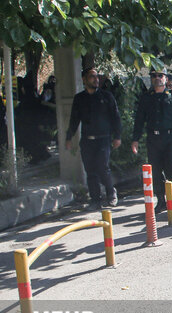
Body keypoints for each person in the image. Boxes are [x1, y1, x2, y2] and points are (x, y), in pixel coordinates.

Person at [132, 68, 172, 213]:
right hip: (153, 138)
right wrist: (135, 139)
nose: (157, 78)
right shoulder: (146, 97)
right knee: (155, 170)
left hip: (170, 136)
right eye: (154, 76)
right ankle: (161, 200)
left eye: (160, 76)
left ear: (165, 78)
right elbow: (139, 119)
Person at [66, 67, 122, 209]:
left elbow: (116, 118)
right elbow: (74, 119)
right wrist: (69, 137)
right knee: (90, 170)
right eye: (92, 77)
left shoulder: (106, 96)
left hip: (103, 139)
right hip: (87, 140)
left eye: (97, 76)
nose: (96, 79)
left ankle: (111, 192)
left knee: (102, 167)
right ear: (84, 79)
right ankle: (95, 200)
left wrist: (117, 136)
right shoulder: (79, 99)